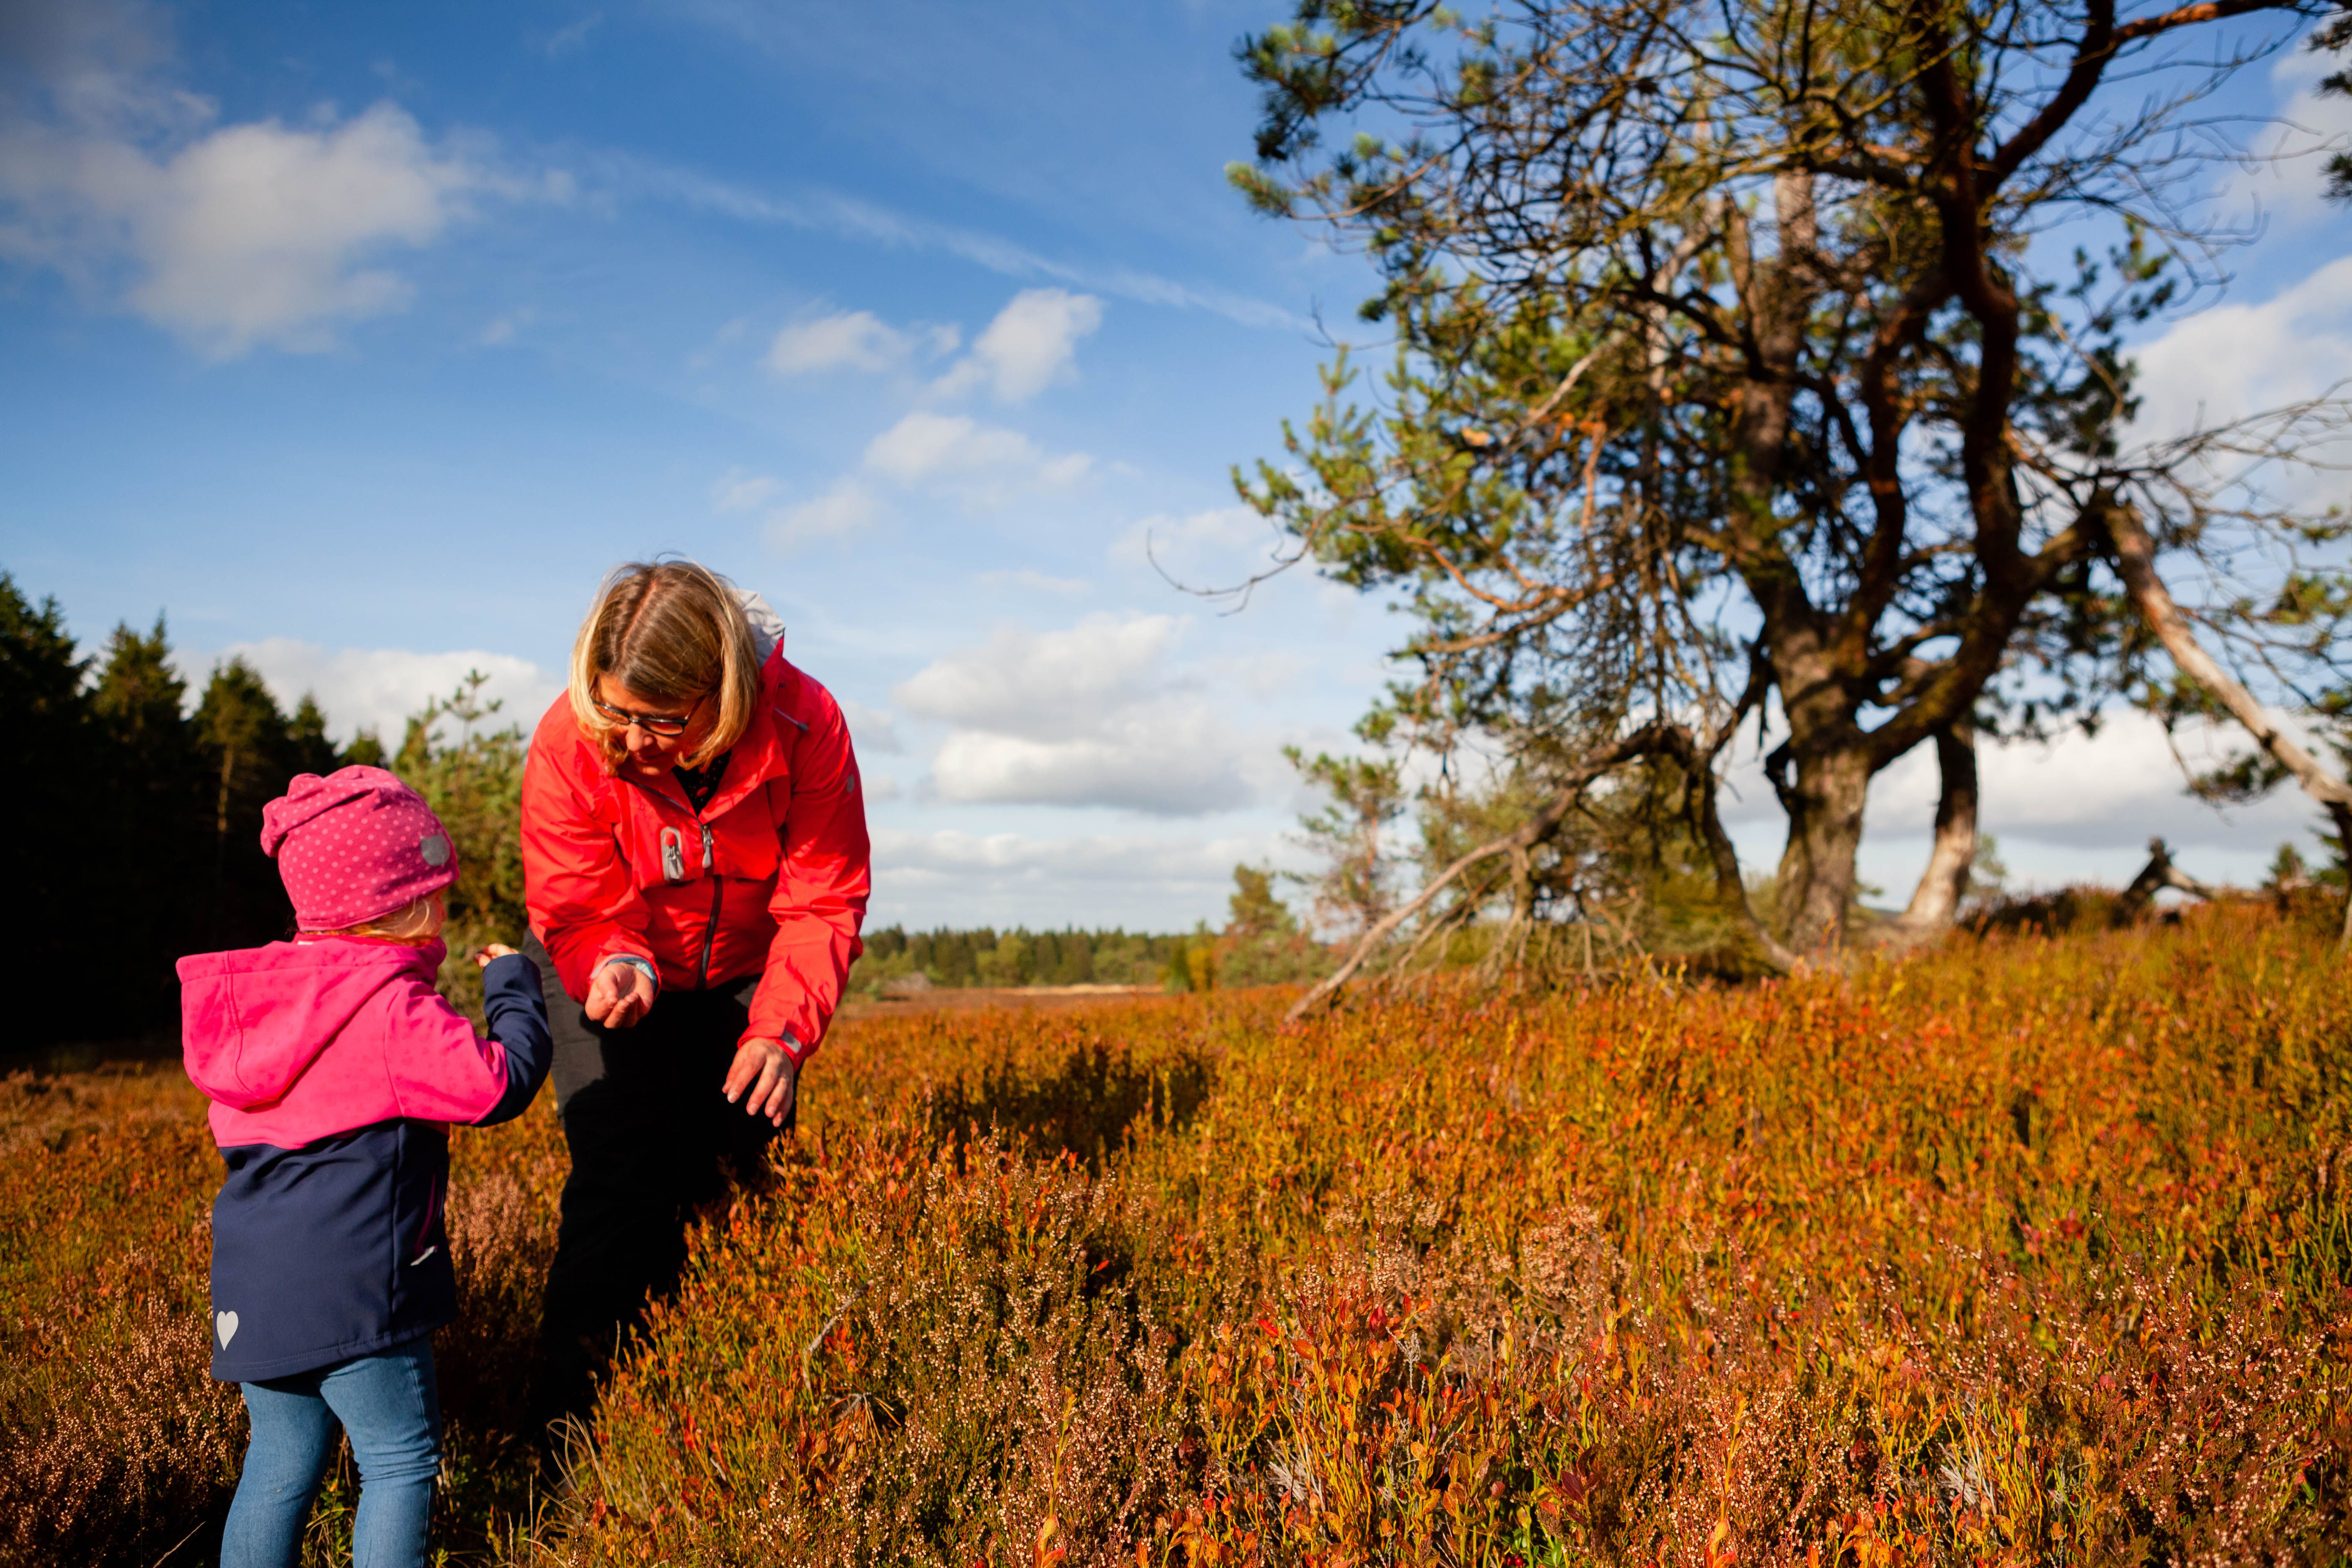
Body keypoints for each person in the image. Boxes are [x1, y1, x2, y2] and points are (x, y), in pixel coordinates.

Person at [519, 558, 869, 1440]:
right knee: (619, 1177)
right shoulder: (570, 735)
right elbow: (575, 897)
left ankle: (732, 1411)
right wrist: (613, 959)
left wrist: (782, 1035)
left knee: (742, 1172)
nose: (632, 742)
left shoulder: (807, 721)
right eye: (616, 715)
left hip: (753, 972)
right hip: (612, 963)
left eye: (661, 721)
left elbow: (823, 897)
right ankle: (574, 1430)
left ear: (725, 692)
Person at [180, 766, 552, 1568]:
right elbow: (495, 1086)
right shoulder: (389, 1008)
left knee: (277, 1467)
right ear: (399, 904)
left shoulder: (261, 1007)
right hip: (359, 1295)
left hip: (254, 1291)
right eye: (437, 889)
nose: (445, 908)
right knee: (400, 1461)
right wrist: (514, 990)